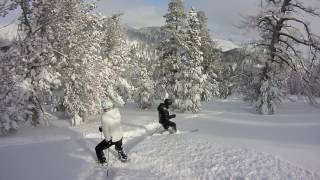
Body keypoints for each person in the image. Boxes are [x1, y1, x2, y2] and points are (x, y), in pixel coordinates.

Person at [95, 99, 127, 164]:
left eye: (103, 108)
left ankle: (102, 161)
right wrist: (102, 127)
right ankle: (122, 155)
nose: (103, 109)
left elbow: (106, 131)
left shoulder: (104, 116)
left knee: (98, 148)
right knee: (118, 146)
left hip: (112, 138)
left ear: (105, 108)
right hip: (120, 135)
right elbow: (112, 123)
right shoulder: (117, 112)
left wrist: (108, 140)